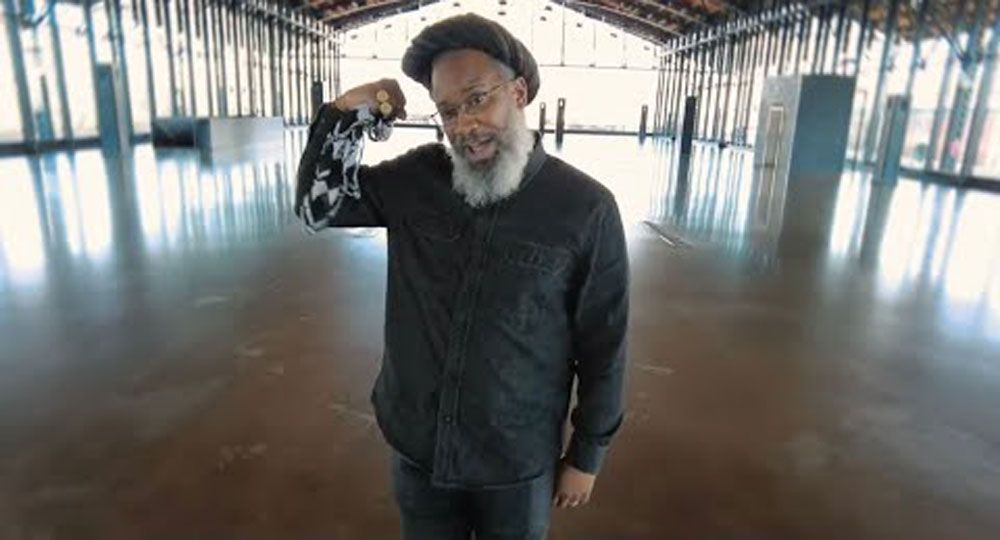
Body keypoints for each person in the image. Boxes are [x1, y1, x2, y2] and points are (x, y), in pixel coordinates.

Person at [294, 13, 629, 540]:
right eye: (447, 111)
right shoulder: (417, 180)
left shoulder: (585, 208)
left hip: (515, 461)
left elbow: (604, 343)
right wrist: (346, 113)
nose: (464, 125)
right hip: (419, 448)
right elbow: (320, 209)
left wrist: (587, 455)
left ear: (518, 92)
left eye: (477, 99)